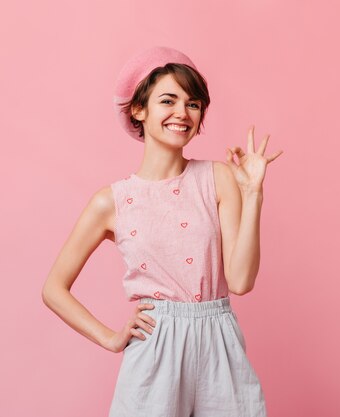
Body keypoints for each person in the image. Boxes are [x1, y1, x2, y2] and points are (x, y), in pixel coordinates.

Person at [42, 46, 283, 417]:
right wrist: (110, 337)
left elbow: (240, 281)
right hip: (156, 346)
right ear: (138, 110)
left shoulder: (217, 178)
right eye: (167, 100)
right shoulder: (113, 201)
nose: (182, 113)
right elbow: (53, 289)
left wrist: (253, 194)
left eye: (193, 103)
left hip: (218, 341)